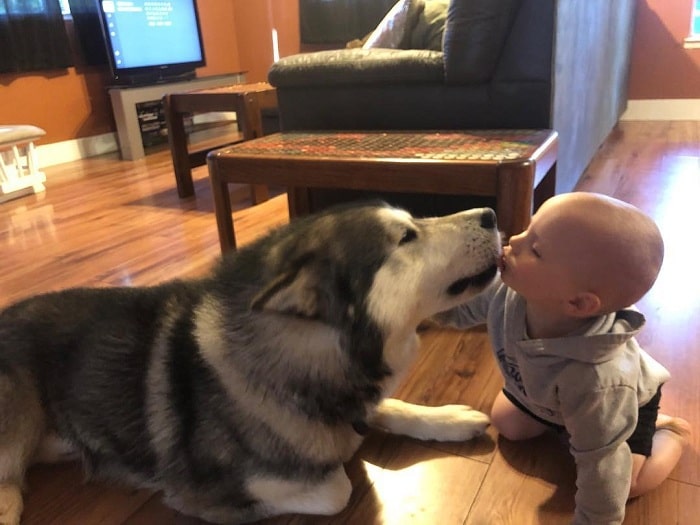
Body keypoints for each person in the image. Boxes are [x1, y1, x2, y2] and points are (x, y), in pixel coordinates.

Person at [435, 192, 690, 524]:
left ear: (578, 304)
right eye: (528, 228)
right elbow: (454, 311)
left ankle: (673, 434)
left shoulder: (599, 382)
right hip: (544, 392)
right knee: (507, 423)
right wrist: (417, 301)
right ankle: (571, 424)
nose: (514, 239)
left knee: (627, 484)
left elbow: (603, 472)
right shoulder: (508, 291)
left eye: (536, 250)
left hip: (625, 409)